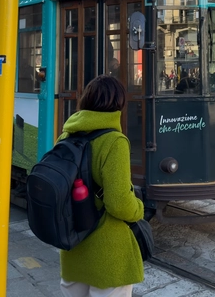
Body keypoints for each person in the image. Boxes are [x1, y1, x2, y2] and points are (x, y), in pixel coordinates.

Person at [58, 75, 144, 297]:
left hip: (73, 245)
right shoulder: (114, 142)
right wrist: (140, 209)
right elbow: (119, 204)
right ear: (119, 104)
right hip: (107, 254)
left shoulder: (66, 136)